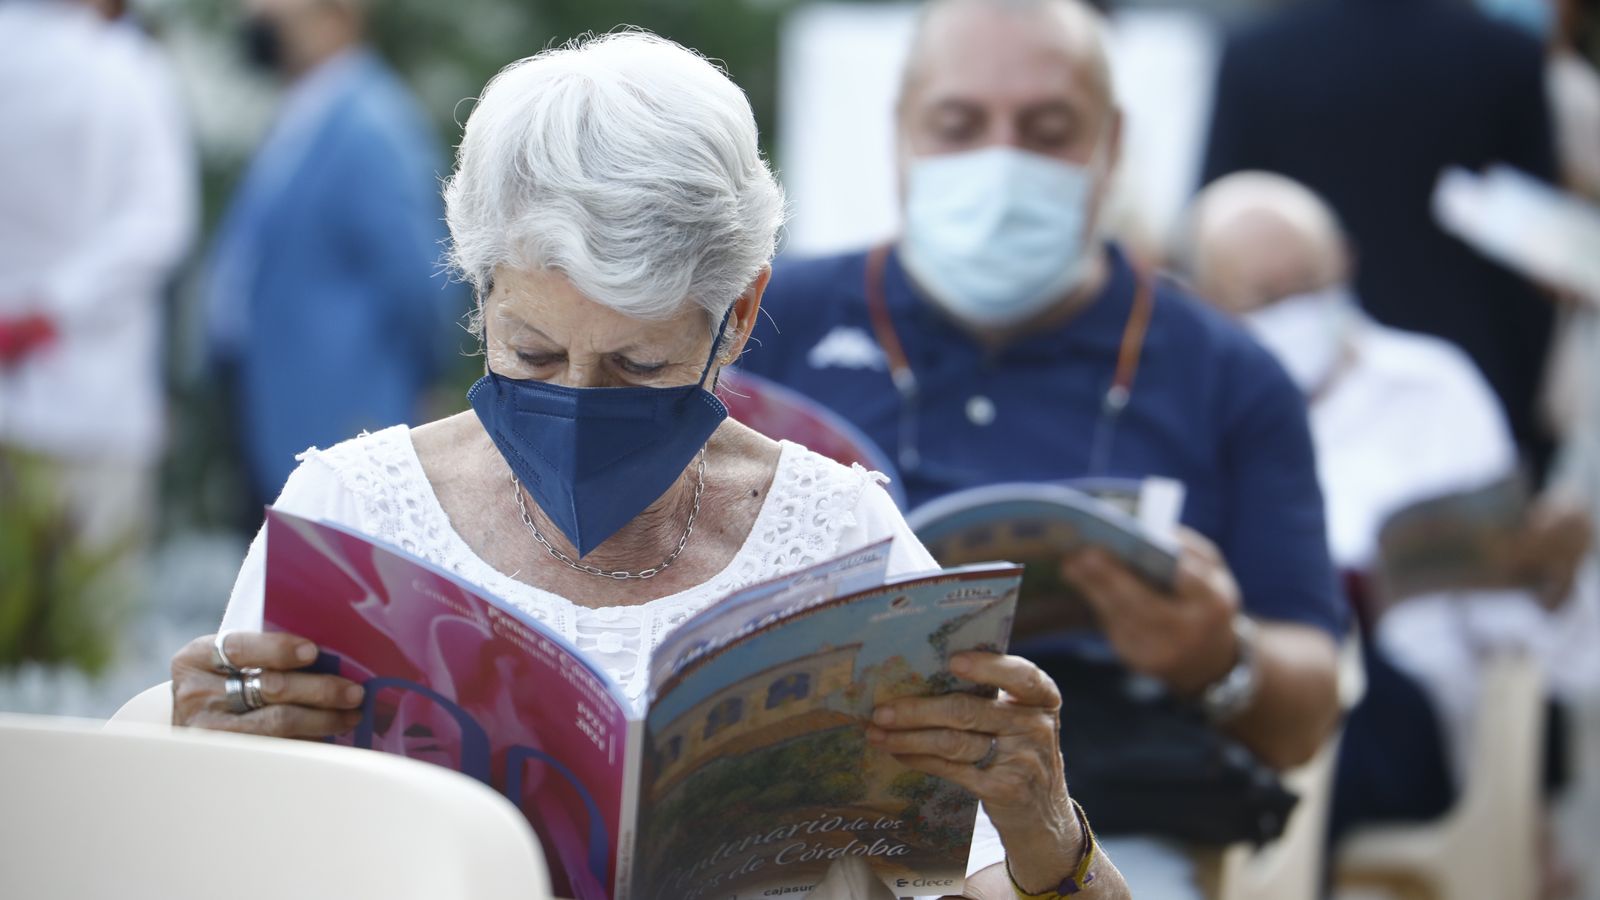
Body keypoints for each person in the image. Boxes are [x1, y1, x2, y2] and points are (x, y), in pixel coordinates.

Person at [170, 32, 1132, 900]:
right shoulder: (352, 515)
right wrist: (208, 772)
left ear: (741, 315)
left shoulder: (838, 535)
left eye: (640, 367)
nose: (581, 401)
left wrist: (1045, 829)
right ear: (482, 291)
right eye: (533, 355)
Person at [740, 0, 1342, 893]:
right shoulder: (767, 324)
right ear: (900, 130)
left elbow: (1307, 713)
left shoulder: (1228, 374)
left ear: (1113, 142)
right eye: (960, 123)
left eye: (1047, 128)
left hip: (1107, 823)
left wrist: (1221, 657)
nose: (1001, 159)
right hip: (805, 823)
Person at [1184, 171, 1600, 885]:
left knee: (1316, 711)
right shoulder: (1186, 414)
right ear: (1207, 306)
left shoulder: (1433, 390)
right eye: (1265, 299)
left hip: (1401, 720)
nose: (1295, 314)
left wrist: (1549, 578)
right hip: (1228, 695)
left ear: (1344, 261)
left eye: (1307, 286)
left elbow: (1554, 657)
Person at [1201, 0, 1562, 475]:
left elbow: (1217, 222)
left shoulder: (1259, 55)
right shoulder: (1504, 52)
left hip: (1316, 386)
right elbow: (1540, 257)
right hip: (1477, 377)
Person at [204, 0, 461, 512]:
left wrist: (424, 383)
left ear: (338, 14)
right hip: (274, 413)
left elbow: (421, 282)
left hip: (340, 423)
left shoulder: (372, 126)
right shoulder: (303, 111)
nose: (253, 11)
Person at [0, 0, 195, 552]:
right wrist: (50, 309)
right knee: (86, 626)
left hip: (75, 401)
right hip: (96, 406)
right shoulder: (127, 67)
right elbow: (159, 224)